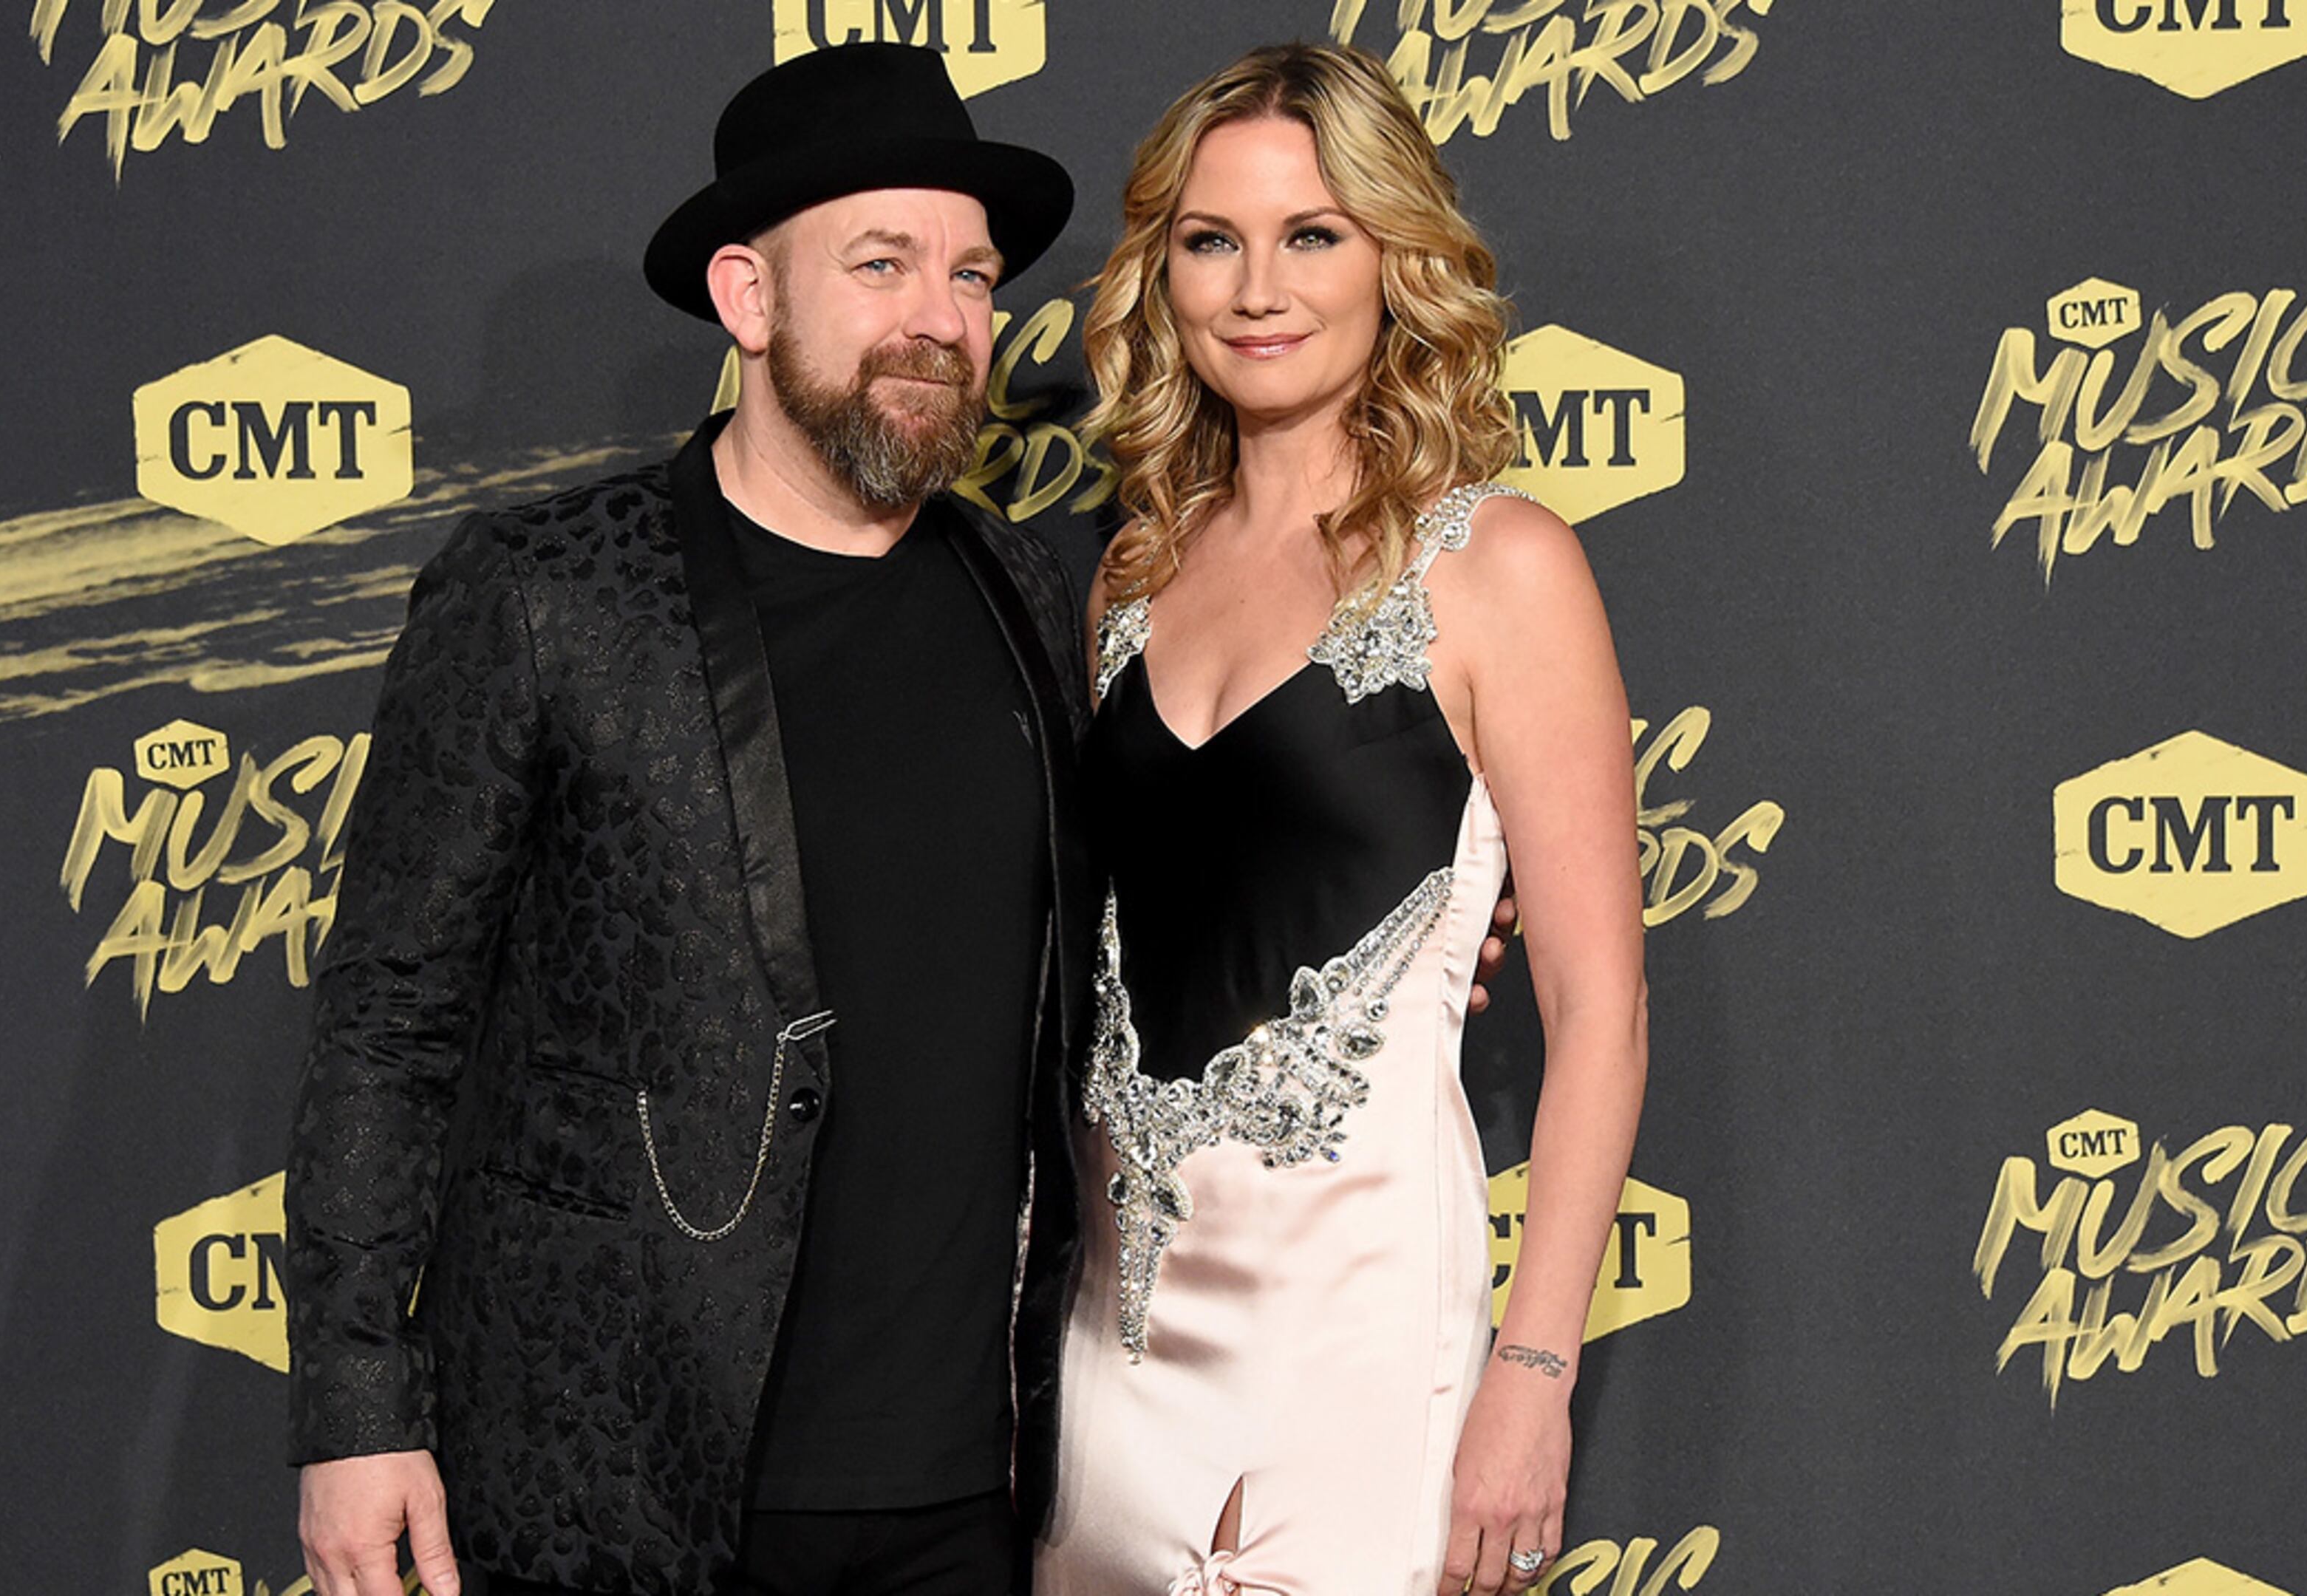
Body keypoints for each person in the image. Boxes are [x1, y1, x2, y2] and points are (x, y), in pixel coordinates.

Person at [280, 43, 1096, 1596]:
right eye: (881, 264)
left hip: (967, 1496)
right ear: (747, 295)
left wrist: (1434, 916)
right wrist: (354, 1409)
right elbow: (390, 1023)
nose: (941, 319)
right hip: (625, 1485)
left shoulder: (1025, 591)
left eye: (973, 276)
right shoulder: (545, 593)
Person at [1035, 43, 1649, 1596]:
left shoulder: (1501, 566)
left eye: (1311, 235)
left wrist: (1534, 1376)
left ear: (1394, 258)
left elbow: (1602, 1010)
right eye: (1212, 241)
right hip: (1113, 1344)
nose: (1259, 289)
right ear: (1163, 274)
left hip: (1361, 1343)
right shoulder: (1131, 577)